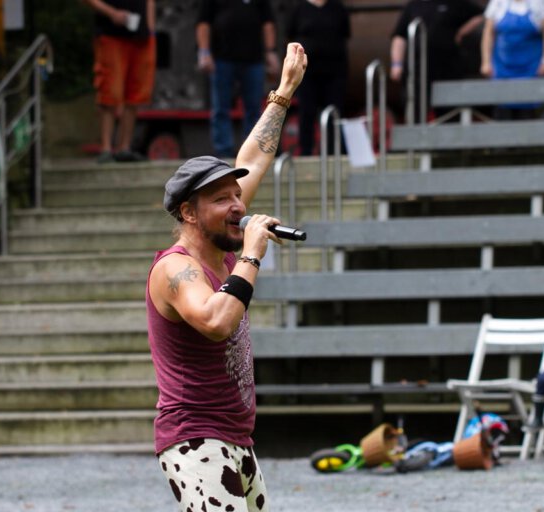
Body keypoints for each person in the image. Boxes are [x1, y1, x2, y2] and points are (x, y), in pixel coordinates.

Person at [146, 43, 307, 511]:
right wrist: (252, 256)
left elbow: (254, 158)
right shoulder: (176, 268)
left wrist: (284, 92)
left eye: (238, 196)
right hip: (195, 439)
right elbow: (215, 322)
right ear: (188, 213)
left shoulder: (220, 237)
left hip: (236, 436)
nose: (238, 206)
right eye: (221, 199)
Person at [196, 0, 280, 157]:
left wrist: (271, 51)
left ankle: (252, 153)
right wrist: (204, 52)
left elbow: (267, 23)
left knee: (254, 109)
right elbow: (203, 23)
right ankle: (224, 153)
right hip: (222, 59)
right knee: (221, 109)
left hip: (253, 60)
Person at [82, 0, 156, 163]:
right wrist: (112, 13)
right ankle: (106, 148)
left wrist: (150, 29)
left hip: (141, 37)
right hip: (110, 34)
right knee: (109, 90)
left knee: (136, 93)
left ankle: (125, 147)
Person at [389, 0, 483, 122]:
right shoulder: (414, 5)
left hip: (448, 70)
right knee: (415, 111)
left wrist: (462, 32)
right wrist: (396, 63)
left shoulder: (457, 4)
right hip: (418, 71)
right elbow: (399, 36)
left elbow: (484, 15)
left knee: (449, 114)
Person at [286, 0, 350, 156]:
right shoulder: (299, 8)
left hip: (334, 72)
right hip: (307, 73)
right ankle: (306, 152)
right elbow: (290, 36)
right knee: (306, 112)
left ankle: (333, 153)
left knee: (334, 112)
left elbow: (345, 35)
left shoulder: (338, 8)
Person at [479, 0, 544, 119]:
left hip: (530, 68)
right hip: (502, 68)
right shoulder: (498, 3)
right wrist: (486, 62)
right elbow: (488, 32)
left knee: (526, 113)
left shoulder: (539, 3)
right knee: (502, 112)